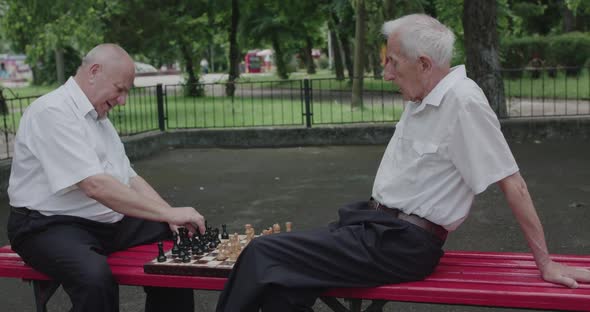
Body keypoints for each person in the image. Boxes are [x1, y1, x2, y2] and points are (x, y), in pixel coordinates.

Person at [215, 14, 590, 312]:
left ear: (424, 63)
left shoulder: (463, 101)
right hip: (372, 228)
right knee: (282, 286)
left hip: (401, 244)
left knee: (263, 254)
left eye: (392, 63)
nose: (387, 73)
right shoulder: (421, 97)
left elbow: (513, 183)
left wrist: (546, 263)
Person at [6, 44, 205, 312]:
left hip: (103, 222)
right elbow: (95, 185)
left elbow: (129, 178)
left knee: (182, 236)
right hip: (46, 225)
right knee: (95, 279)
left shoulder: (99, 117)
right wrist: (167, 213)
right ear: (94, 72)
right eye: (120, 89)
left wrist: (170, 214)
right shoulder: (51, 112)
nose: (123, 100)